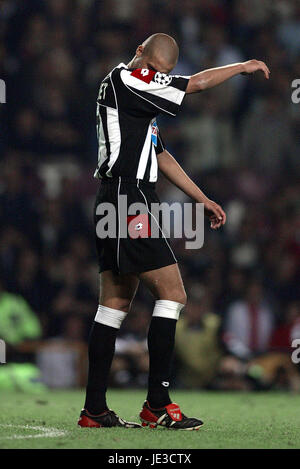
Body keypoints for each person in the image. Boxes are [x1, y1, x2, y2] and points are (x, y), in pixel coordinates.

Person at [78, 33, 270, 430]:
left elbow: (160, 153)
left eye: (164, 73)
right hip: (127, 200)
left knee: (114, 304)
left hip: (116, 199)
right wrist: (242, 66)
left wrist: (201, 198)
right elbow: (196, 83)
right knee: (174, 294)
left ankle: (94, 410)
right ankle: (158, 404)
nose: (157, 76)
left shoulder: (134, 94)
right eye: (155, 69)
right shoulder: (131, 82)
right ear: (138, 54)